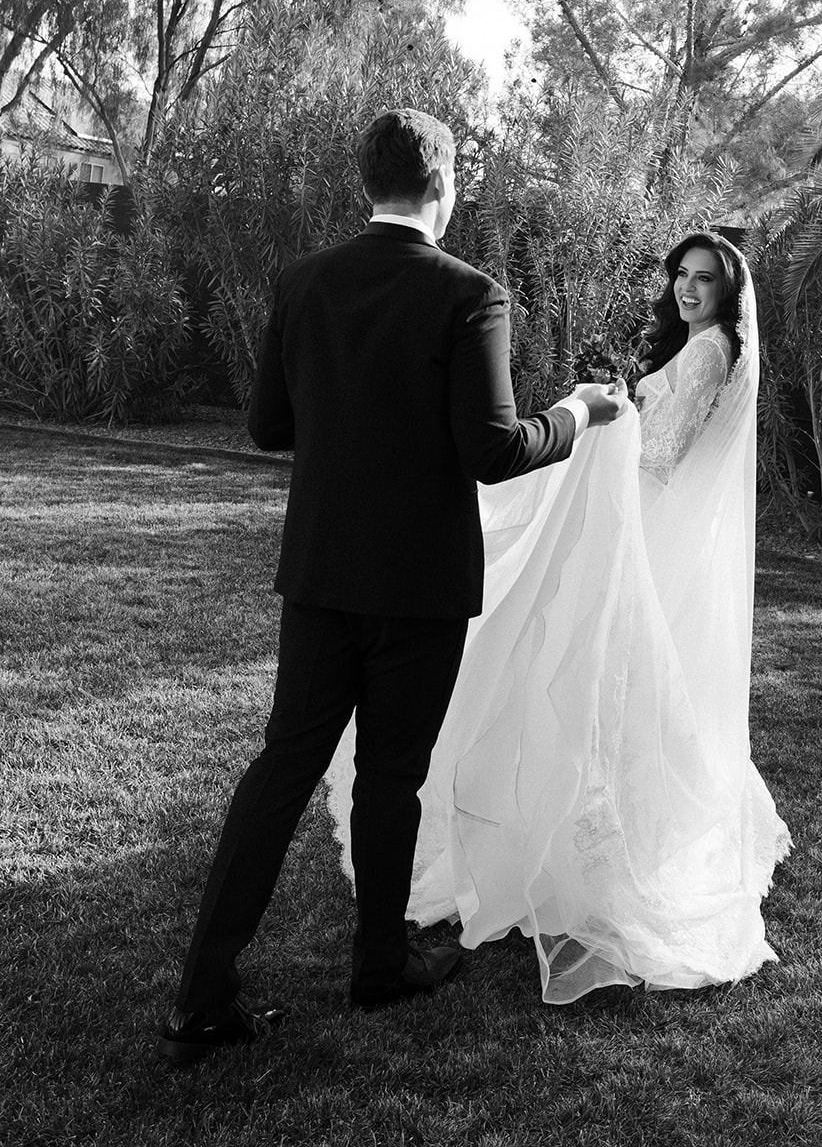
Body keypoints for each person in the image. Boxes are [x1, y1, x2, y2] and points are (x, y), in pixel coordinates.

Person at [157, 108, 626, 1065]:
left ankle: (204, 992)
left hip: (323, 572)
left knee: (282, 767)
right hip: (418, 586)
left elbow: (264, 426)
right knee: (391, 778)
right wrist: (576, 412)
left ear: (365, 183)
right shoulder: (471, 294)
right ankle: (377, 966)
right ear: (446, 187)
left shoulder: (304, 280)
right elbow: (493, 450)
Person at [325, 230, 792, 1002]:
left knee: (589, 666)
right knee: (612, 675)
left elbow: (661, 455)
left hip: (637, 519)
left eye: (702, 279)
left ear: (726, 291)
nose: (685, 288)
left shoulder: (709, 354)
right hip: (639, 520)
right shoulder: (699, 347)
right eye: (680, 274)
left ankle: (578, 844)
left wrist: (601, 418)